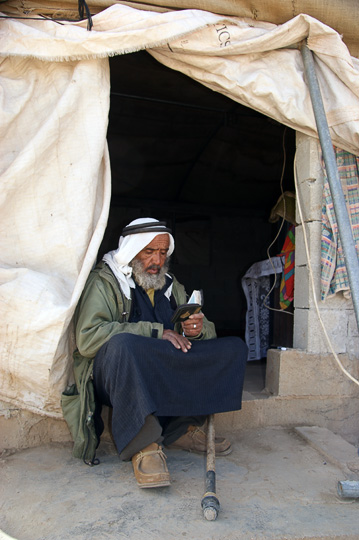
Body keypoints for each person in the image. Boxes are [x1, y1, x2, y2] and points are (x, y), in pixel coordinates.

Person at [72, 217, 248, 488]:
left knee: (232, 348)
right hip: (117, 375)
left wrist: (195, 330)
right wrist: (154, 332)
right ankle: (144, 444)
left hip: (159, 369)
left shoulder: (168, 283)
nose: (157, 260)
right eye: (149, 252)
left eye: (163, 252)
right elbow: (87, 338)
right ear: (132, 251)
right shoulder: (105, 282)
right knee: (124, 346)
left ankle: (180, 429)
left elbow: (202, 328)